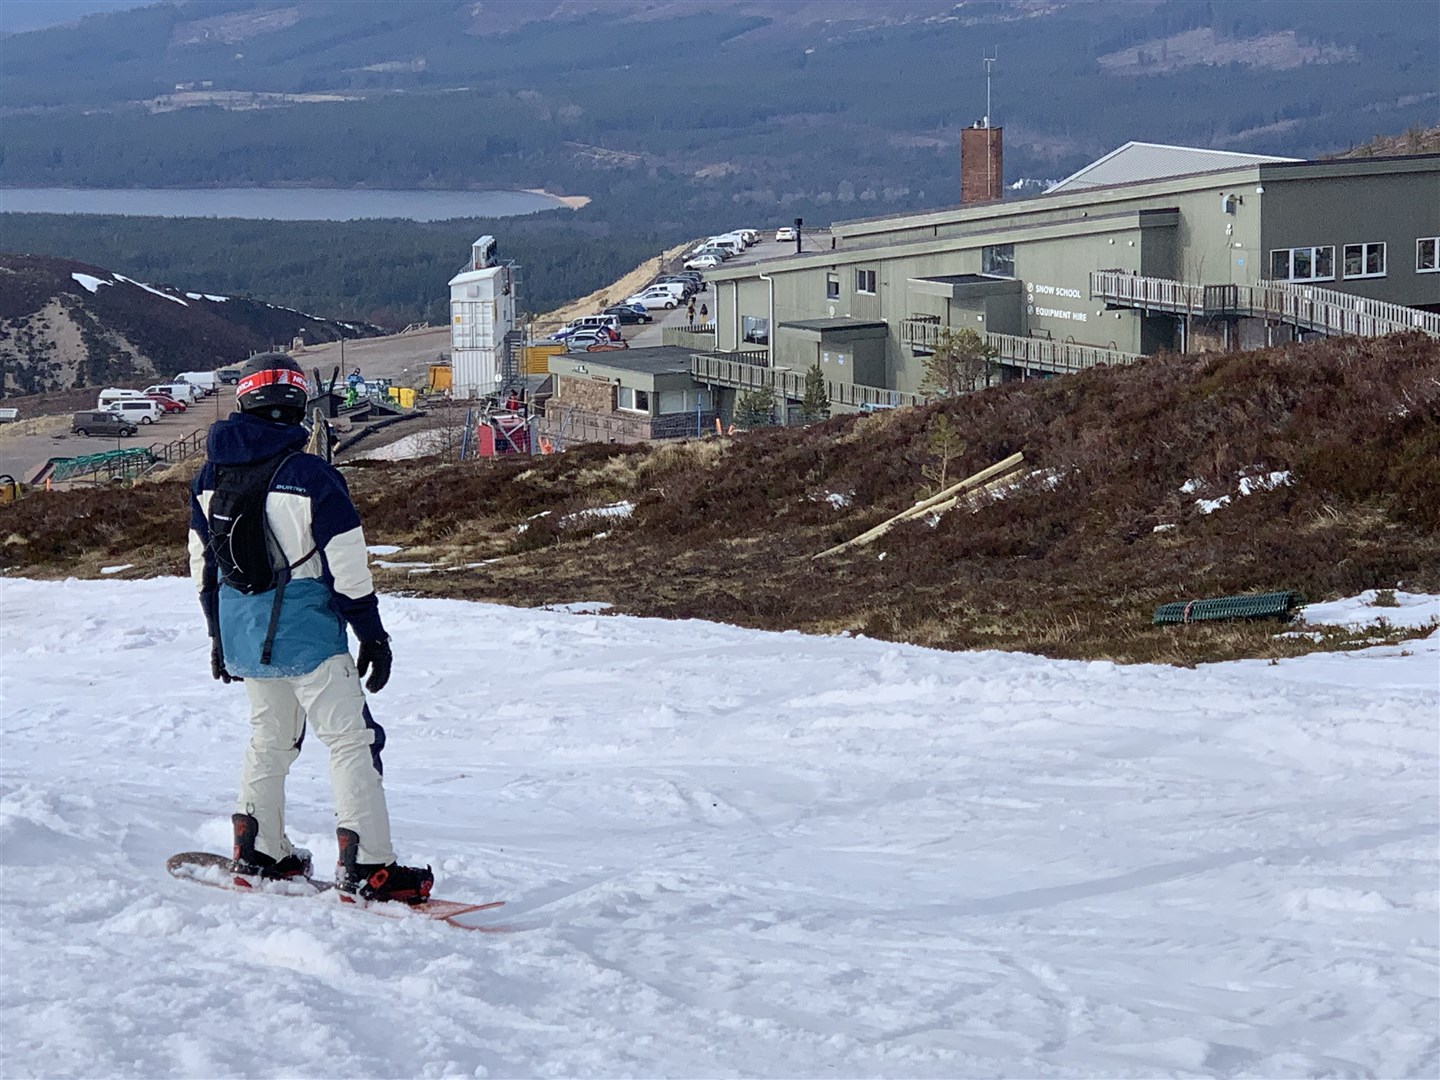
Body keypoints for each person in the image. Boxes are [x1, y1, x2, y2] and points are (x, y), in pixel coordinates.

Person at [188, 352, 434, 905]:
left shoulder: (210, 477)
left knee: (269, 737)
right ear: (298, 403)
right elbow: (347, 564)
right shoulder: (310, 475)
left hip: (244, 630)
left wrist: (217, 638)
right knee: (352, 740)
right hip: (309, 633)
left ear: (245, 399)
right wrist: (372, 634)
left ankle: (259, 849)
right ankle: (368, 864)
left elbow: (201, 565)